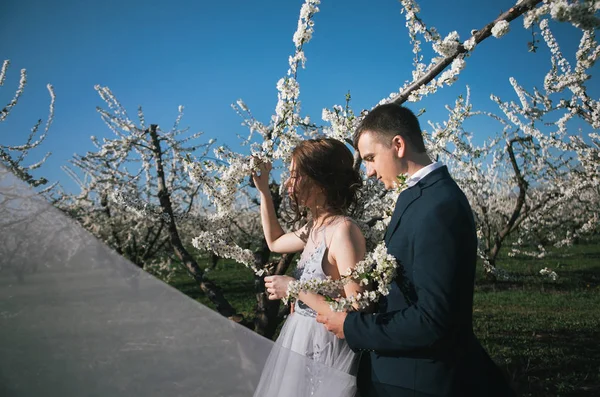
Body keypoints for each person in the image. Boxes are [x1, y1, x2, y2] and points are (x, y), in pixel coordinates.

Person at [316, 104, 516, 397]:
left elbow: (433, 318)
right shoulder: (417, 197)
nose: (368, 172)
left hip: (419, 381)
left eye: (371, 158)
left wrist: (353, 327)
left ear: (398, 145)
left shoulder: (438, 205)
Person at [252, 138, 367, 397]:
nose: (288, 184)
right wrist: (263, 192)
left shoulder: (343, 231)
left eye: (295, 176)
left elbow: (358, 313)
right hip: (300, 341)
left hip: (326, 349)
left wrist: (295, 288)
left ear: (319, 179)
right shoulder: (315, 227)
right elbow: (275, 242)